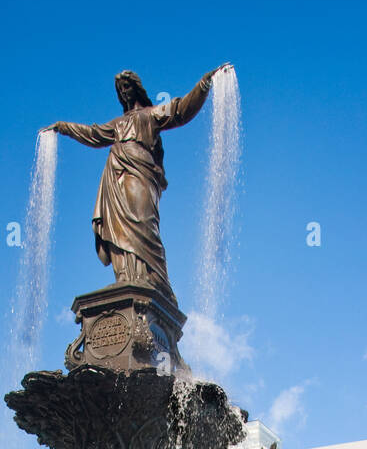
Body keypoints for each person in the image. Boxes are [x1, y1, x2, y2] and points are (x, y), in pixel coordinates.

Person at [45, 67, 229, 301]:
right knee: (119, 229)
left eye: (127, 87)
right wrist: (64, 127)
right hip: (116, 176)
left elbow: (181, 110)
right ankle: (126, 277)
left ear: (137, 89)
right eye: (120, 90)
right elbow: (92, 134)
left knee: (143, 223)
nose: (124, 92)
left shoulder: (152, 114)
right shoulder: (117, 124)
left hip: (140, 173)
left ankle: (154, 280)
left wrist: (203, 85)